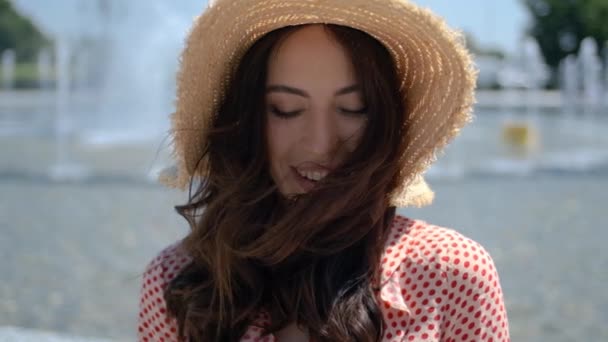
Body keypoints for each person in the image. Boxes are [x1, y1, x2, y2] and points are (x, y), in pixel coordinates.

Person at [138, 0, 509, 341]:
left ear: (384, 120)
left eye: (353, 108)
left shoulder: (450, 274)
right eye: (286, 109)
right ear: (246, 121)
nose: (320, 144)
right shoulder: (181, 283)